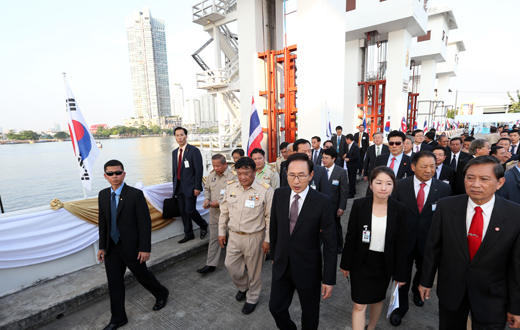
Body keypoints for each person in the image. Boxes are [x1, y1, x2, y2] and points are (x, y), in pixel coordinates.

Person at [419, 156, 520, 330]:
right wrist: (425, 281)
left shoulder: (515, 215)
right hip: (451, 289)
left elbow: (517, 265)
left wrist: (516, 306)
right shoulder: (446, 207)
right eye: (470, 178)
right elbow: (433, 247)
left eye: (484, 179)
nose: (475, 184)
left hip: (493, 296)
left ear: (500, 182)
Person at [98, 160, 169, 330]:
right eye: (110, 173)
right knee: (114, 283)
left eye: (117, 172)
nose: (114, 176)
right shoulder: (102, 195)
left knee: (142, 275)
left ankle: (161, 293)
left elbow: (144, 223)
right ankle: (118, 318)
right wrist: (102, 247)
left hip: (132, 247)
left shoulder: (135, 194)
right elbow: (103, 223)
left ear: (123, 174)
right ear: (105, 176)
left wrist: (145, 248)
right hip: (111, 248)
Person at [269, 153, 337, 330]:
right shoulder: (279, 194)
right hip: (282, 266)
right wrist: (274, 255)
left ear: (311, 176)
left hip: (308, 268)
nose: (296, 180)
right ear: (286, 174)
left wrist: (329, 279)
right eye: (291, 175)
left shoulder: (322, 202)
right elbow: (274, 228)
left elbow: (330, 244)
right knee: (275, 308)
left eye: (301, 175)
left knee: (310, 314)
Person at [388, 151, 452, 326]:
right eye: (424, 166)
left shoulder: (444, 188)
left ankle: (418, 291)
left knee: (424, 271)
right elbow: (391, 213)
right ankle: (399, 308)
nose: (429, 170)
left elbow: (445, 218)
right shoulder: (400, 185)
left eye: (432, 166)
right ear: (413, 167)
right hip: (403, 241)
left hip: (429, 242)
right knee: (401, 276)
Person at [340, 166, 408, 330]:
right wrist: (345, 264)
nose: (383, 188)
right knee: (359, 304)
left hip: (384, 264)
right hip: (361, 263)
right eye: (379, 183)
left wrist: (401, 273)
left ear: (393, 186)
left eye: (388, 184)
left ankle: (371, 327)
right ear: (370, 185)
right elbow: (351, 236)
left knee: (378, 300)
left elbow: (401, 243)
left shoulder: (399, 209)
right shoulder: (359, 205)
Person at [218, 157, 274, 315]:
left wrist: (267, 240)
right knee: (230, 265)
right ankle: (244, 287)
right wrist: (221, 232)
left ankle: (252, 297)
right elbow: (224, 211)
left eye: (247, 173)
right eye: (239, 173)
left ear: (255, 171)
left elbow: (270, 218)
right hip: (234, 235)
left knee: (254, 270)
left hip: (254, 237)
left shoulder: (265, 190)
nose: (242, 177)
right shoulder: (231, 187)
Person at [198, 154, 237, 274]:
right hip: (214, 214)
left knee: (234, 240)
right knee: (214, 238)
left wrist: (219, 202)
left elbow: (235, 195)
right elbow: (207, 190)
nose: (216, 168)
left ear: (225, 164)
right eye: (214, 166)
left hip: (230, 215)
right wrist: (207, 199)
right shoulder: (211, 175)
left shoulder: (233, 177)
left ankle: (239, 263)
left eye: (218, 166)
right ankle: (211, 264)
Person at [172, 127, 208, 244]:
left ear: (186, 136)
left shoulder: (193, 151)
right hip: (179, 187)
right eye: (177, 135)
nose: (179, 137)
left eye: (181, 135)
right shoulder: (174, 153)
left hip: (191, 187)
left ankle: (203, 225)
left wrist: (198, 187)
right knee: (183, 212)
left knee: (190, 210)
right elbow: (175, 171)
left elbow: (199, 170)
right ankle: (189, 234)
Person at [322, 148, 349, 254]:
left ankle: (338, 245)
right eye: (323, 158)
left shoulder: (341, 172)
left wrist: (342, 207)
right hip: (321, 205)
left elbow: (343, 191)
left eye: (326, 158)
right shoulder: (320, 170)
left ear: (333, 159)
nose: (324, 160)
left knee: (335, 226)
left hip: (334, 205)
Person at [343, 134, 360, 198]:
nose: (346, 141)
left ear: (349, 139)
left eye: (346, 140)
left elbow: (356, 156)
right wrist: (346, 155)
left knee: (352, 179)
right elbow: (350, 153)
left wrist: (349, 159)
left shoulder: (355, 146)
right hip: (350, 165)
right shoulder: (350, 145)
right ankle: (353, 190)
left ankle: (351, 193)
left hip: (353, 165)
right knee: (350, 179)